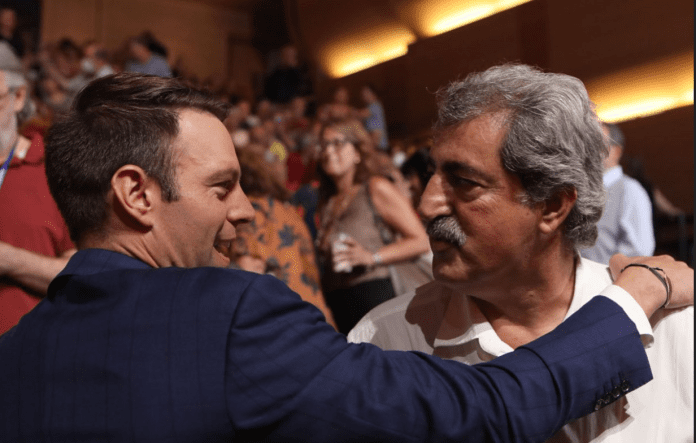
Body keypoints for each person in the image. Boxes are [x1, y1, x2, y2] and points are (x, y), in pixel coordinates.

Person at [0, 72, 692, 442]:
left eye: (464, 181)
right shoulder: (303, 329)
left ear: (553, 204)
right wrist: (635, 301)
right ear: (135, 195)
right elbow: (488, 408)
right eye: (221, 187)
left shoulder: (15, 354)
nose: (246, 211)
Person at [348, 64, 694, 442]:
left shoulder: (675, 329)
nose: (427, 206)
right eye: (433, 174)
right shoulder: (384, 342)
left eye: (463, 182)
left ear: (552, 205)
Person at [315, 121, 431, 334]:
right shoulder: (327, 203)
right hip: (340, 303)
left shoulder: (375, 188)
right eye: (323, 145)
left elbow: (421, 241)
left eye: (337, 143)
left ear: (357, 152)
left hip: (375, 296)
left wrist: (372, 257)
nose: (328, 151)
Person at [0, 68, 75, 334]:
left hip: (23, 346)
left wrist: (9, 259)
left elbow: (83, 276)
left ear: (19, 97)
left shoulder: (55, 170)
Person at [231, 149, 337, 329]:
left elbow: (247, 269)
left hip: (284, 319)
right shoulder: (287, 210)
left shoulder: (248, 214)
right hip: (315, 311)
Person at [580, 123, 655, 263]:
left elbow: (639, 251)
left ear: (617, 151)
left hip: (609, 276)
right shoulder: (582, 190)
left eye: (598, 144)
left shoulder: (630, 190)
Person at [355, 84, 389, 151]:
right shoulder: (369, 107)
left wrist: (346, 110)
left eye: (367, 92)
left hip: (380, 146)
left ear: (374, 94)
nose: (365, 95)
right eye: (363, 94)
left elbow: (360, 114)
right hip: (375, 144)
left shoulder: (376, 105)